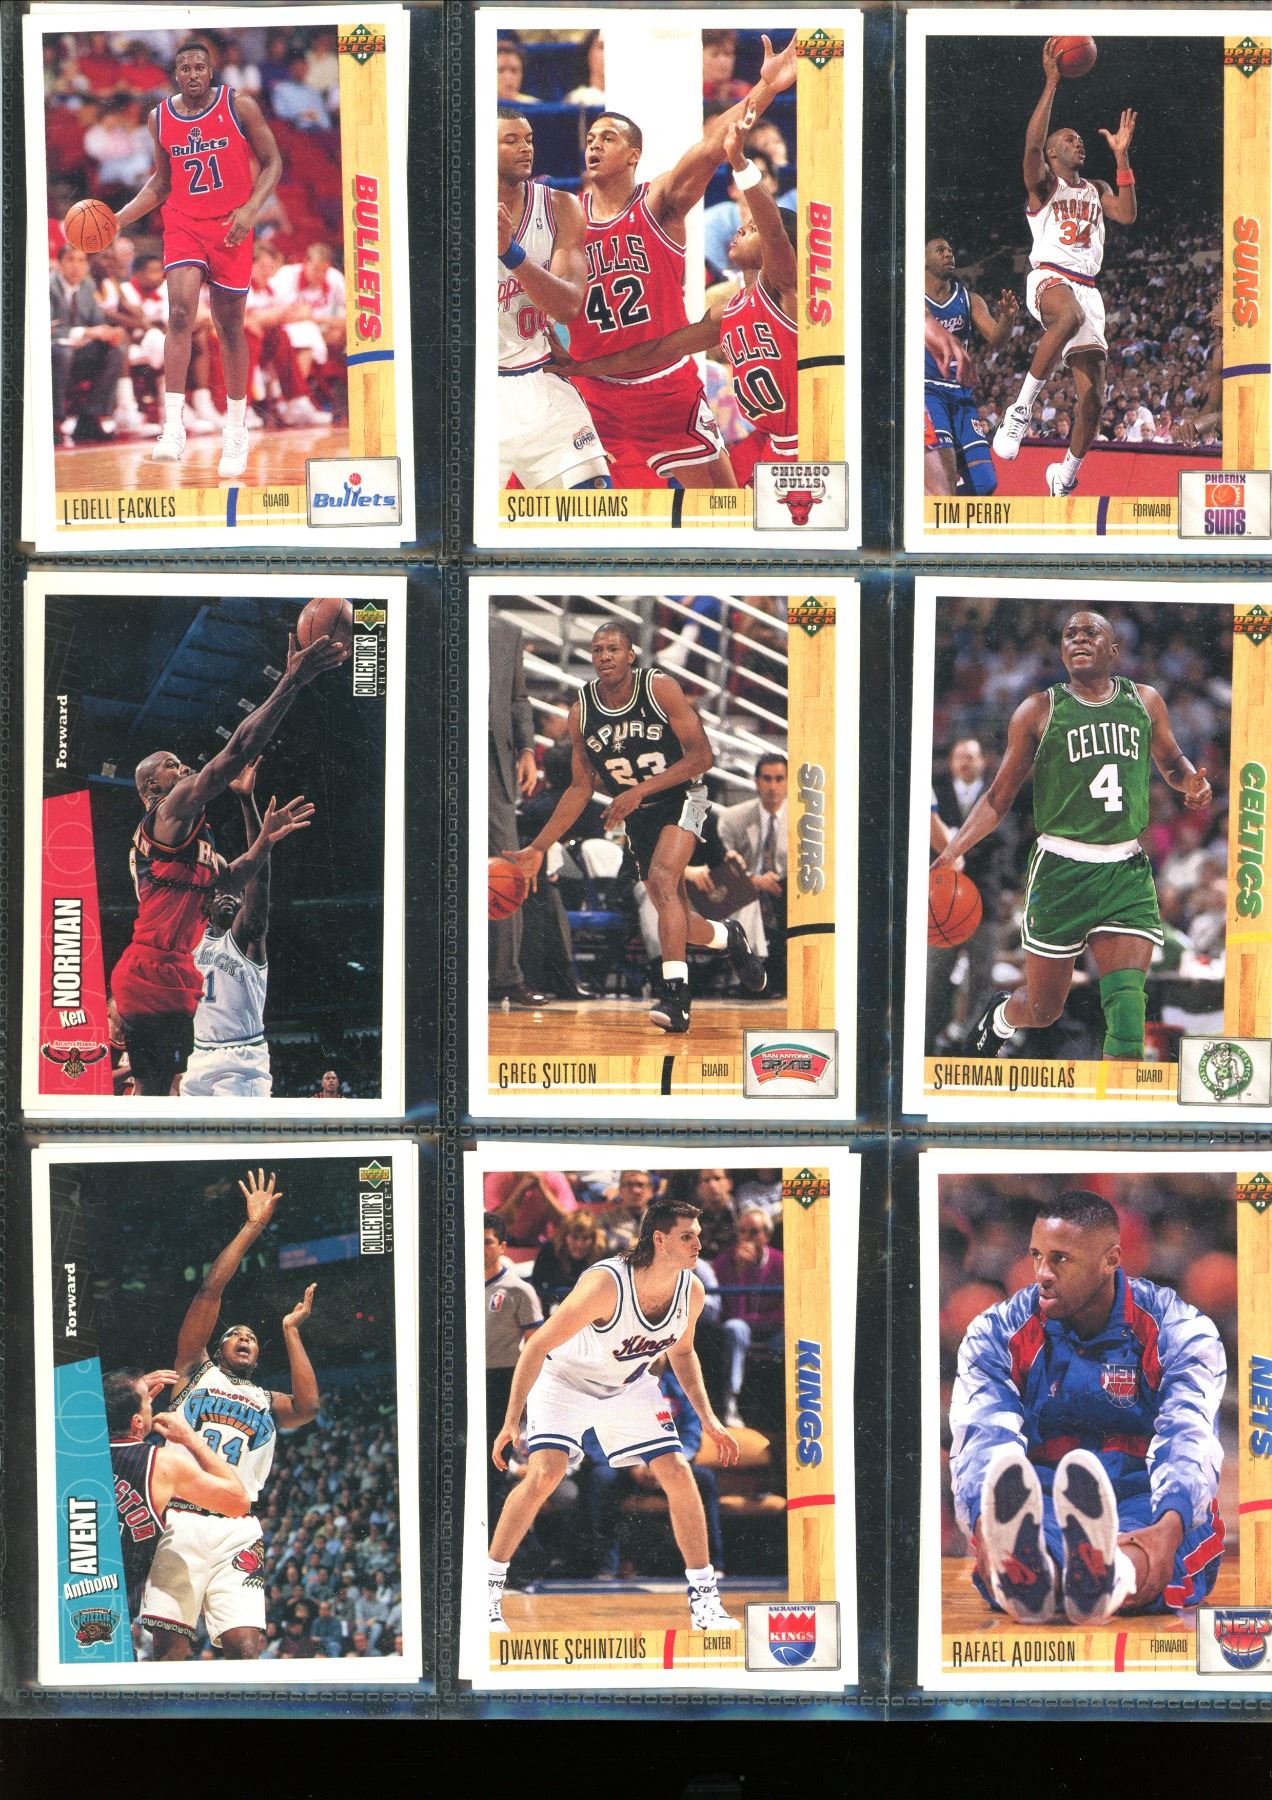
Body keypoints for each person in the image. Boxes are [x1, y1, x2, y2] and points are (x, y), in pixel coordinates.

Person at [934, 611, 1211, 1063]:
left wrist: (1192, 785)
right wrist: (952, 851)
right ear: (1062, 651)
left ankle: (1118, 1107)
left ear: (1114, 650)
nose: (1078, 639)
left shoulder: (1145, 701)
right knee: (1043, 1010)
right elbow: (998, 796)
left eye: (1091, 632)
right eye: (1070, 634)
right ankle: (1002, 1016)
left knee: (1127, 1013)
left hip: (1125, 869)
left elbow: (1173, 763)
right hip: (1060, 869)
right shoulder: (1038, 710)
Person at [950, 1191, 1226, 1626]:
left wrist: (1168, 1529)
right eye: (1036, 1256)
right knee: (1007, 1529)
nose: (1041, 1273)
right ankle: (1038, 1571)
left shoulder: (1179, 1328)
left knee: (1181, 1535)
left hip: (1146, 1496)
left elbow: (1188, 1436)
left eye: (1060, 1259)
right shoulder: (996, 1331)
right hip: (1043, 1496)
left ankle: (1110, 1574)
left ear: (1111, 1259)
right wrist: (985, 1525)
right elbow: (983, 1438)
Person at [109, 627, 347, 1097]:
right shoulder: (167, 813)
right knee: (153, 1094)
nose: (183, 769)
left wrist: (264, 842)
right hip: (148, 970)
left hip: (179, 970)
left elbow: (232, 880)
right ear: (152, 787)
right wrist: (291, 681)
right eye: (172, 765)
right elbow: (235, 751)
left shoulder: (195, 840)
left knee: (168, 1095)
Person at [487, 1197, 740, 1633]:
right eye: (687, 1237)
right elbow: (537, 1345)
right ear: (659, 1240)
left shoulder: (692, 1289)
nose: (698, 1244)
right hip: (565, 1380)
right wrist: (512, 1420)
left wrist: (710, 1419)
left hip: (628, 1384)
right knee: (545, 1474)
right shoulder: (607, 1283)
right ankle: (488, 1592)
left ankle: (704, 1599)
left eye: (697, 1236)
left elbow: (683, 1353)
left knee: (678, 1471)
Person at [506, 622, 766, 1034]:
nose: (604, 656)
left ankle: (676, 997)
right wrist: (539, 847)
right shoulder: (582, 712)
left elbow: (702, 757)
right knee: (672, 911)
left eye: (613, 648)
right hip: (640, 812)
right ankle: (726, 936)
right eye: (597, 649)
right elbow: (579, 788)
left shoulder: (659, 689)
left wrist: (637, 791)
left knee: (661, 880)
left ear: (630, 655)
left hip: (685, 796)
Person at [562, 33, 796, 489]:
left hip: (665, 384)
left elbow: (712, 147)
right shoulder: (564, 216)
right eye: (590, 138)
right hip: (594, 390)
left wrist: (766, 88)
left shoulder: (658, 203)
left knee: (721, 509)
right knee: (576, 517)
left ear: (634, 155)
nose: (594, 145)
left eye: (608, 138)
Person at [139, 1169, 321, 1659]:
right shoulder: (194, 1371)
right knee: (172, 1652)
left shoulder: (266, 1399)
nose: (244, 1338)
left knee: (247, 1646)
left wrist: (290, 1330)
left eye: (252, 1338)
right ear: (217, 1348)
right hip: (181, 1519)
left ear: (257, 1355)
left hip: (237, 1527)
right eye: (234, 1334)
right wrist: (253, 1227)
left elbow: (308, 1407)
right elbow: (208, 1293)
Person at [111, 38, 284, 478]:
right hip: (184, 224)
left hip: (231, 226)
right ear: (176, 74)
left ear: (211, 71)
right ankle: (172, 427)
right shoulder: (160, 117)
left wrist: (251, 210)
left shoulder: (239, 105)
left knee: (229, 328)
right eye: (184, 67)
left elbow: (273, 162)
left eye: (199, 67)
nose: (192, 74)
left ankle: (236, 429)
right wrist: (117, 219)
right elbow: (161, 183)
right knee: (180, 313)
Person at [991, 39, 1137, 497]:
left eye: (1079, 139)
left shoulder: (1095, 188)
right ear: (1053, 155)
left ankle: (1064, 476)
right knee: (1068, 314)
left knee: (1094, 399)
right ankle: (1019, 411)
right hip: (1050, 277)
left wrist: (1121, 155)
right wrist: (1052, 81)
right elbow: (1033, 144)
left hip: (1088, 288)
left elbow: (1127, 214)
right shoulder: (1043, 186)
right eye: (1069, 140)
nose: (1078, 143)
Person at [179, 757, 314, 1098]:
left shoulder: (246, 939)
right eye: (221, 892)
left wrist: (246, 800)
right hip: (198, 1056)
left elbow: (259, 880)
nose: (230, 897)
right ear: (206, 902)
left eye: (237, 894)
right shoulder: (191, 941)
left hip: (241, 1061)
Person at [496, 107, 610, 490]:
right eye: (510, 141)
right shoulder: (451, 214)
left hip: (542, 380)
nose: (525, 148)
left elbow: (568, 306)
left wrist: (510, 253)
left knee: (593, 507)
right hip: (479, 392)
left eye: (528, 140)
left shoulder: (560, 206)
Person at [104, 1366, 250, 1621]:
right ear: (137, 1421)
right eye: (147, 1401)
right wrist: (190, 1439)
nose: (152, 1403)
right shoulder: (162, 1463)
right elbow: (238, 1502)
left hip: (68, 1596)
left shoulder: (75, 1454)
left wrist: (121, 1392)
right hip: (113, 1616)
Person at [928, 738, 1016, 1051]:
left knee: (981, 980)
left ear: (982, 762)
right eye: (959, 757)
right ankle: (928, 1042)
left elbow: (1003, 836)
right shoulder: (937, 792)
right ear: (951, 762)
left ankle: (972, 1045)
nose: (965, 762)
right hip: (944, 902)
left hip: (983, 902)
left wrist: (955, 843)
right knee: (934, 978)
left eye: (970, 757)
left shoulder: (996, 793)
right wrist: (961, 842)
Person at [924, 236, 1017, 496]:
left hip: (960, 396)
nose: (948, 254)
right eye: (940, 250)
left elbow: (996, 339)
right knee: (944, 478)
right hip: (927, 393)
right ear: (923, 260)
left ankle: (937, 506)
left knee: (985, 483)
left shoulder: (969, 299)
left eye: (950, 250)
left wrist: (1007, 319)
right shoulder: (912, 298)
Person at [483, 1211, 544, 1548]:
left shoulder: (518, 1290)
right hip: (466, 1381)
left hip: (502, 1381)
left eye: (488, 1242)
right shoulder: (457, 1286)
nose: (480, 1249)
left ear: (503, 1246)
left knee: (495, 1467)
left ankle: (500, 1550)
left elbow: (536, 1346)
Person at [719, 752, 787, 997]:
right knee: (747, 896)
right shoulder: (733, 818)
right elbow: (722, 864)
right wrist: (753, 879)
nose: (773, 786)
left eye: (779, 779)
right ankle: (752, 974)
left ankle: (758, 978)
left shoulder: (804, 822)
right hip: (743, 890)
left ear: (789, 781)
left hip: (786, 893)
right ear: (756, 781)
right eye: (767, 779)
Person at [711, 1207, 784, 1428]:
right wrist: (741, 1272)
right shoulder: (725, 1261)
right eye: (741, 1232)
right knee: (735, 1327)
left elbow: (786, 1312)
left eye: (753, 1232)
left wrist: (756, 1320)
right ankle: (731, 1402)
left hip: (773, 1330)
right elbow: (731, 1314)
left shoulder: (781, 1262)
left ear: (767, 1235)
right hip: (742, 1329)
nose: (746, 1238)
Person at [49, 242, 126, 442]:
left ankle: (91, 418)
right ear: (59, 263)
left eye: (81, 261)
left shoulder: (87, 285)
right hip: (51, 352)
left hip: (79, 352)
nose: (76, 266)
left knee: (115, 351)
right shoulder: (48, 286)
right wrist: (88, 332)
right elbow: (46, 329)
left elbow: (98, 322)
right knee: (61, 353)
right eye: (70, 260)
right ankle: (54, 421)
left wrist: (109, 332)